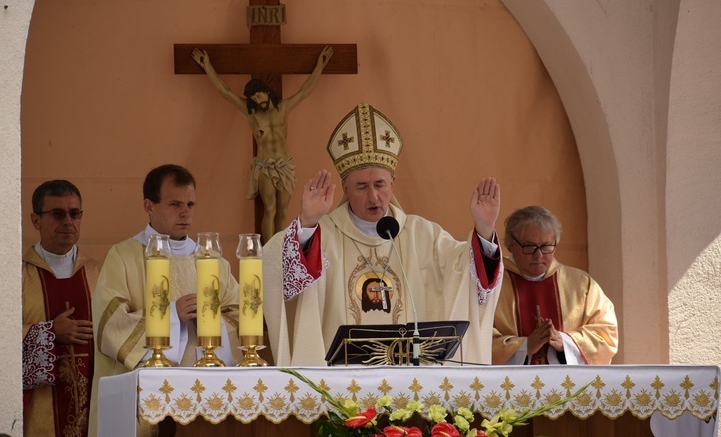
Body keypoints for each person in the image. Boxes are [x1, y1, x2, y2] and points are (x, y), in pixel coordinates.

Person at [262, 102, 504, 366]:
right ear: (344, 187)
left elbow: (464, 273)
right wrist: (307, 223)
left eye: (380, 184)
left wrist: (483, 229)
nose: (373, 196)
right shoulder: (324, 235)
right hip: (340, 384)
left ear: (393, 183)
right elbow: (272, 265)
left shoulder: (422, 235)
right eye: (361, 187)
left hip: (412, 384)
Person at [88, 164, 240, 437]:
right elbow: (109, 325)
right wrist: (171, 316)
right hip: (146, 404)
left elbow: (239, 314)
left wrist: (211, 319)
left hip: (205, 397)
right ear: (149, 206)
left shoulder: (211, 259)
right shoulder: (124, 256)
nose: (186, 213)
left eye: (191, 204)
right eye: (175, 204)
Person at [192, 45, 334, 243]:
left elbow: (305, 90)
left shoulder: (283, 108)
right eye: (253, 99)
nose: (258, 101)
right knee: (270, 208)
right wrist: (207, 67)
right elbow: (226, 92)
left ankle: (280, 248)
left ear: (266, 91)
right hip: (265, 166)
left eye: (259, 95)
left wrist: (320, 64)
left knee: (283, 210)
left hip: (284, 165)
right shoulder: (252, 114)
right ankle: (268, 250)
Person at [492, 206, 618, 365]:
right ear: (510, 245)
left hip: (568, 386)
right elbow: (477, 338)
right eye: (529, 247)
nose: (539, 255)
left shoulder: (581, 284)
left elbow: (606, 333)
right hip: (511, 386)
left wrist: (566, 342)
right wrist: (524, 347)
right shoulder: (492, 285)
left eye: (546, 246)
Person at [22, 179, 100, 436]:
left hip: (94, 405)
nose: (68, 221)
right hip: (39, 413)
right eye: (57, 213)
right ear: (36, 221)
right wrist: (49, 332)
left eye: (74, 213)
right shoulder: (18, 275)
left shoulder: (98, 273)